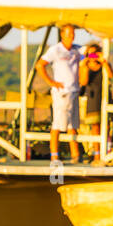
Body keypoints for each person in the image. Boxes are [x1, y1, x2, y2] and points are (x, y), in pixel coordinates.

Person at [38, 24, 83, 162]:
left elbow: (89, 54)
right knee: (58, 124)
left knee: (72, 125)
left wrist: (98, 55)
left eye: (73, 34)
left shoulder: (77, 49)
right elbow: (40, 65)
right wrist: (51, 82)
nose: (71, 37)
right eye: (68, 34)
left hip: (74, 91)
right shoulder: (55, 50)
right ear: (62, 35)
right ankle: (54, 155)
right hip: (61, 93)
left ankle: (75, 154)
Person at [78, 40, 113, 160]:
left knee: (107, 126)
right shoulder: (85, 66)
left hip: (104, 96)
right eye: (90, 54)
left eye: (95, 53)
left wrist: (103, 61)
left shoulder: (103, 64)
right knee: (95, 127)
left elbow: (111, 75)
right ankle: (97, 154)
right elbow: (83, 82)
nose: (93, 56)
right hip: (92, 98)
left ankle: (106, 150)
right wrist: (85, 64)